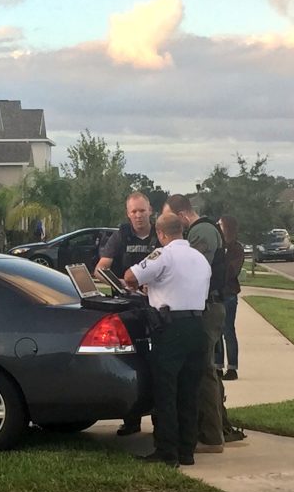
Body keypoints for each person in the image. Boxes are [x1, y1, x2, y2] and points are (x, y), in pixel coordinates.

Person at [124, 213, 210, 467]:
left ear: (161, 234)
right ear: (182, 230)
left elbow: (130, 277)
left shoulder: (163, 254)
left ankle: (166, 450)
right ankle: (187, 451)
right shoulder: (199, 258)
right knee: (189, 392)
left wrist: (147, 286)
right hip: (197, 327)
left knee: (166, 391)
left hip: (171, 329)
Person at [163, 194, 226, 453]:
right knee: (203, 369)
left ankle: (211, 435)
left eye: (170, 219)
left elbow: (192, 269)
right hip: (207, 305)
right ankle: (212, 429)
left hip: (208, 308)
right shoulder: (205, 230)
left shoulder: (201, 233)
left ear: (181, 216)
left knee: (204, 370)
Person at [94, 191, 159, 436]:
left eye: (142, 210)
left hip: (154, 306)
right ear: (127, 214)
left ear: (150, 210)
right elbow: (100, 270)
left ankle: (158, 421)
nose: (138, 216)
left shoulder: (159, 235)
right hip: (126, 307)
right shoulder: (120, 235)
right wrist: (122, 282)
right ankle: (131, 420)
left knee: (156, 364)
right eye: (133, 211)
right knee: (129, 363)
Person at [216, 215, 245, 381]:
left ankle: (232, 367)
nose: (218, 226)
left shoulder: (236, 249)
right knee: (217, 332)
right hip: (216, 294)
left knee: (228, 330)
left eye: (220, 224)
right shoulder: (218, 247)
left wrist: (220, 270)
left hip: (229, 294)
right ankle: (218, 366)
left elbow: (232, 270)